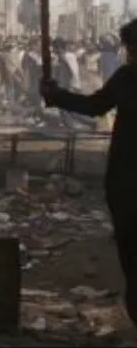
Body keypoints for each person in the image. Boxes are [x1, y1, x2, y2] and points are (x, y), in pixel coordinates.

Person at [41, 18, 136, 329]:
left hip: (127, 180)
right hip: (125, 180)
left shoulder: (128, 77)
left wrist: (55, 95)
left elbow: (95, 106)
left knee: (131, 253)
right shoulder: (126, 76)